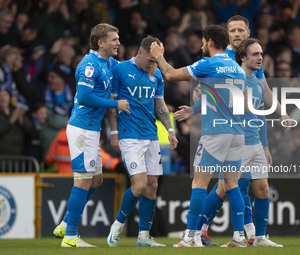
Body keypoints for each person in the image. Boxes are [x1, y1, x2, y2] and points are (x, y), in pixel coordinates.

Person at [193, 15, 290, 247]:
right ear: (227, 35)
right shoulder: (223, 58)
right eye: (232, 31)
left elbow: (262, 96)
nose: (236, 34)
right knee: (225, 187)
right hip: (227, 132)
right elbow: (204, 79)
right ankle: (200, 230)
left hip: (250, 135)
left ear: (248, 32)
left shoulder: (253, 60)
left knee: (254, 187)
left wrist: (281, 113)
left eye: (240, 30)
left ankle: (254, 237)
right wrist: (199, 90)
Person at [150, 24, 248, 247]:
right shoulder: (237, 68)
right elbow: (230, 98)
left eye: (204, 41)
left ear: (210, 42)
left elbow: (171, 75)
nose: (202, 45)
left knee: (199, 183)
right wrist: (194, 110)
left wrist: (159, 56)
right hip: (237, 132)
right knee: (232, 184)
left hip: (216, 132)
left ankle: (191, 236)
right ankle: (240, 236)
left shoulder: (208, 63)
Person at [52, 23, 130, 248]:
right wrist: (116, 103)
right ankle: (71, 238)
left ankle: (66, 224)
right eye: (114, 39)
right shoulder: (88, 64)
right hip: (82, 129)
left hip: (92, 129)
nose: (118, 43)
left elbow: (126, 66)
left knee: (96, 179)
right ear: (101, 42)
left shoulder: (107, 62)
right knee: (84, 180)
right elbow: (85, 97)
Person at [106, 36, 178, 247]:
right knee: (139, 184)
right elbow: (112, 103)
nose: (153, 65)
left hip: (151, 135)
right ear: (139, 53)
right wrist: (113, 133)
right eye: (151, 60)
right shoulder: (120, 70)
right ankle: (117, 226)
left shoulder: (156, 75)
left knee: (152, 186)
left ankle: (144, 236)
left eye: (157, 61)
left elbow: (160, 105)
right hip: (129, 135)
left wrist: (170, 130)